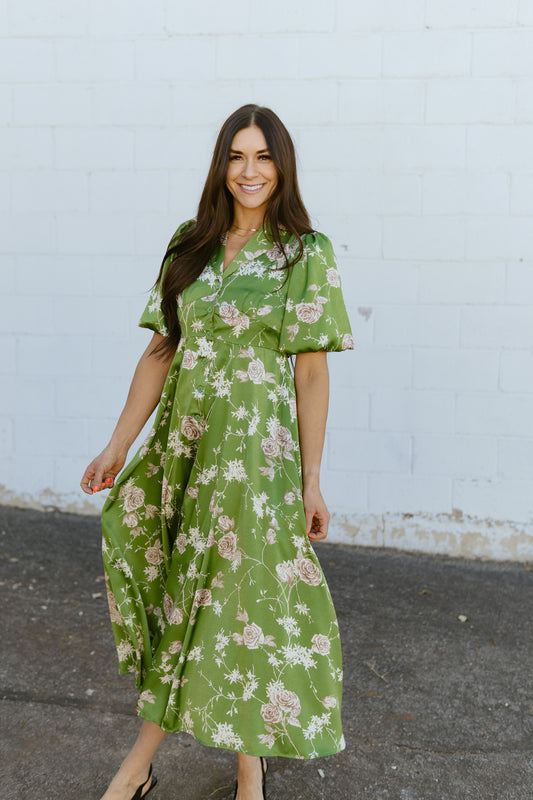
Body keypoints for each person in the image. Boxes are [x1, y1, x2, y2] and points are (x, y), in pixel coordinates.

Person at [81, 104, 354, 800]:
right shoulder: (189, 244)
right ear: (221, 165)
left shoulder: (303, 252)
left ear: (282, 166)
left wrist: (312, 479)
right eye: (237, 156)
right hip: (185, 445)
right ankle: (247, 773)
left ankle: (136, 768)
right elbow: (160, 347)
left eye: (263, 157)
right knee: (208, 596)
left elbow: (311, 371)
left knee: (217, 597)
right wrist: (119, 442)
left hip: (254, 460)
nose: (250, 170)